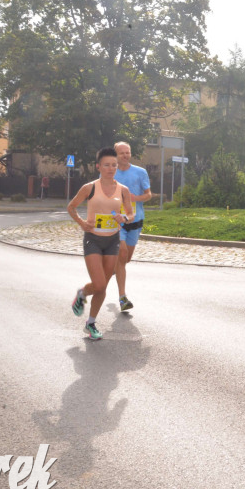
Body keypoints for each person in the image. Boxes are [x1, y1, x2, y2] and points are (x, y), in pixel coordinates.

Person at [66, 147, 134, 340]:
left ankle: (91, 323)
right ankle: (82, 293)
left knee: (102, 287)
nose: (111, 168)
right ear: (99, 167)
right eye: (107, 165)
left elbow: (130, 213)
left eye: (114, 165)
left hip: (112, 240)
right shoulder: (90, 188)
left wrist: (125, 219)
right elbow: (71, 207)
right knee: (99, 283)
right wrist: (82, 223)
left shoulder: (123, 190)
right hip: (93, 239)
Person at [111, 141, 152, 312]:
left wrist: (134, 198)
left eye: (127, 152)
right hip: (117, 221)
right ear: (116, 156)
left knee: (125, 259)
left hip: (135, 220)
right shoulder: (109, 173)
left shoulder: (140, 172)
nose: (126, 155)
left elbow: (148, 195)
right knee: (122, 254)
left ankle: (114, 270)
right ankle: (123, 298)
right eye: (122, 153)